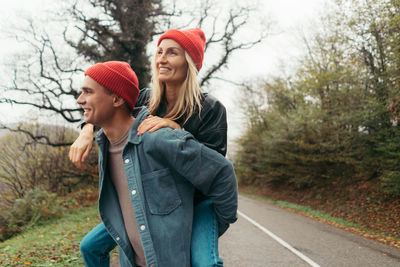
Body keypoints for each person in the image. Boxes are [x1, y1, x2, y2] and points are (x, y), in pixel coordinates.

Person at [70, 28, 230, 266]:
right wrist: (86, 130)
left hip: (196, 204)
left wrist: (177, 130)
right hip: (147, 198)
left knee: (205, 263)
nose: (161, 59)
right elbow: (109, 106)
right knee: (90, 247)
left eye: (172, 53)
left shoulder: (211, 109)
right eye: (159, 52)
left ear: (190, 63)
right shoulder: (144, 99)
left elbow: (211, 168)